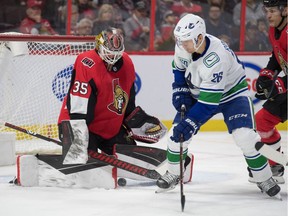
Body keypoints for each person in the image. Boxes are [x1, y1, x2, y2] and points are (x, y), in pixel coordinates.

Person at [156, 13, 281, 198]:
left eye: (186, 41)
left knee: (245, 136)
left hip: (232, 94)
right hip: (201, 92)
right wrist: (180, 88)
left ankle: (263, 177)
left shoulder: (216, 58)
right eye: (179, 40)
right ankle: (174, 173)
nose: (181, 45)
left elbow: (208, 104)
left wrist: (190, 123)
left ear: (199, 37)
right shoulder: (184, 43)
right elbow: (179, 67)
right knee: (176, 136)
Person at [57, 27, 167, 163]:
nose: (113, 57)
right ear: (99, 47)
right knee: (84, 160)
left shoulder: (127, 62)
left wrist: (135, 121)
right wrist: (78, 143)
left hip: (109, 128)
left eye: (117, 53)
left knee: (131, 157)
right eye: (108, 52)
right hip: (78, 123)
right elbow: (78, 107)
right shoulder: (86, 62)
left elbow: (128, 101)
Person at [253, 0, 287, 184]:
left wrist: (281, 83)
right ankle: (276, 164)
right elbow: (277, 55)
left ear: (286, 10)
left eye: (273, 10)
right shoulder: (275, 30)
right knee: (262, 120)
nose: (268, 15)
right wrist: (267, 75)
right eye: (267, 11)